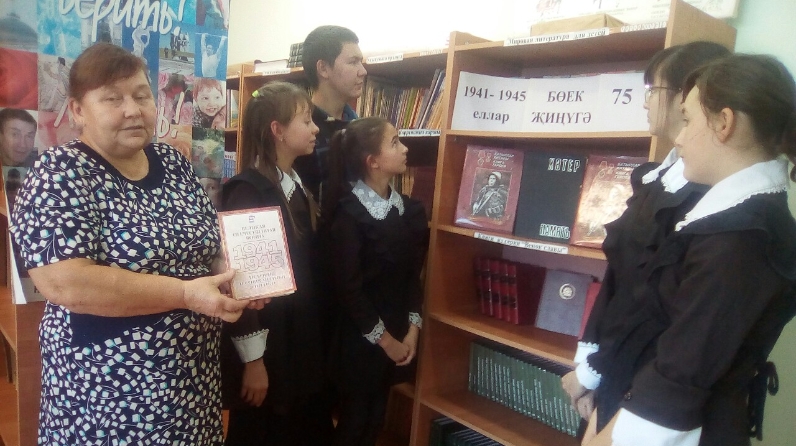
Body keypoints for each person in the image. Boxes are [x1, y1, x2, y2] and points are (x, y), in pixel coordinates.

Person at [8, 42, 253, 445]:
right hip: (106, 391)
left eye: (141, 96)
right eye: (112, 99)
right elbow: (65, 283)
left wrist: (232, 276)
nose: (132, 109)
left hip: (190, 382)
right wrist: (187, 294)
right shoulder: (58, 173)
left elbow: (208, 244)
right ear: (78, 110)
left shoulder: (173, 163)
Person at [581, 53, 796, 446]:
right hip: (634, 404)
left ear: (724, 123)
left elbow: (681, 373)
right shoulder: (726, 220)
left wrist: (607, 436)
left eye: (688, 120)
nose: (678, 139)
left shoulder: (744, 238)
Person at [561, 41, 730, 424]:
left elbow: (657, 310)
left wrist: (593, 374)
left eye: (653, 90)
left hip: (643, 386)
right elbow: (618, 280)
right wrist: (588, 365)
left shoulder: (704, 197)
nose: (645, 102)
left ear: (687, 96)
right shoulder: (656, 178)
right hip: (612, 365)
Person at [220, 81, 333, 446]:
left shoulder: (296, 184)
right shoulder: (248, 191)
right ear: (278, 130)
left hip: (299, 339)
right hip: (271, 345)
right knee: (264, 432)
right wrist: (254, 362)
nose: (315, 129)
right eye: (306, 120)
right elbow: (241, 285)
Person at [319, 116, 428, 446]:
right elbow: (349, 290)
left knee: (376, 420)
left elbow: (413, 275)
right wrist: (387, 342)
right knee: (354, 423)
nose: (405, 148)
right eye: (395, 142)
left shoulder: (407, 210)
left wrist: (412, 330)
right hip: (361, 341)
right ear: (373, 162)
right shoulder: (348, 214)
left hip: (398, 336)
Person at [296, 25, 367, 202]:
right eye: (353, 62)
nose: (363, 71)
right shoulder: (299, 132)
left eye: (361, 62)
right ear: (323, 68)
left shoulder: (361, 128)